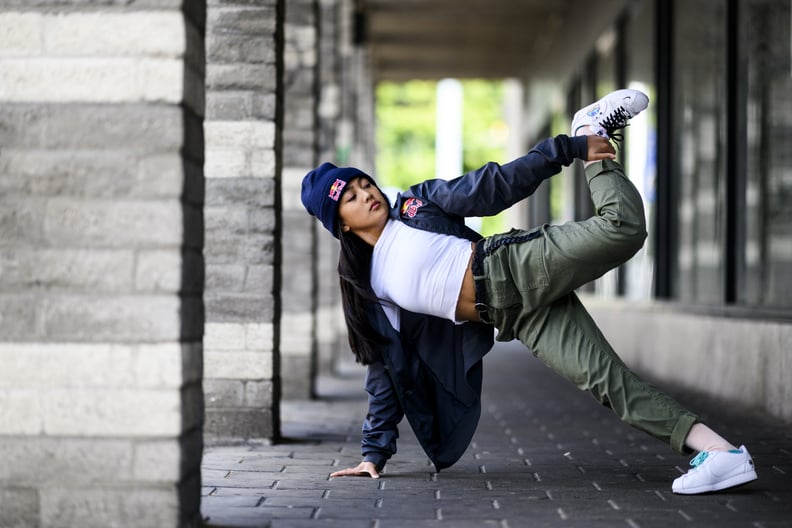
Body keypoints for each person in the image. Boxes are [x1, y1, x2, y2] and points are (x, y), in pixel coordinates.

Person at [300, 89, 758, 495]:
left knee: (622, 228)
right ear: (340, 222)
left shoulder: (417, 204)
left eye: (364, 183)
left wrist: (569, 147)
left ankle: (591, 129)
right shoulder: (370, 289)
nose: (367, 194)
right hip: (515, 317)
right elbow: (385, 370)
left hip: (512, 265)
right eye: (351, 197)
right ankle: (722, 455)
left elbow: (492, 186)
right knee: (607, 382)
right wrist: (372, 455)